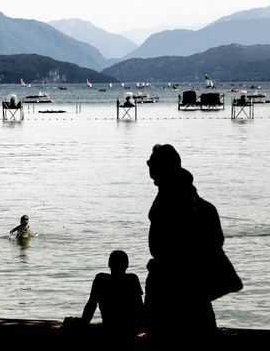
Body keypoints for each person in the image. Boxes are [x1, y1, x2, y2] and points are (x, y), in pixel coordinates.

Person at [144, 144, 233, 346]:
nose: (152, 178)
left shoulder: (175, 201)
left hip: (174, 288)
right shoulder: (194, 202)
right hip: (192, 288)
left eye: (153, 168)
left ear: (164, 169)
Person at [81, 250, 144, 338]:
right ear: (127, 265)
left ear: (109, 264)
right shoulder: (132, 279)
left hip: (109, 327)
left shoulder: (100, 279)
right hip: (129, 329)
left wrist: (83, 325)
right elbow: (139, 307)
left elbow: (91, 305)